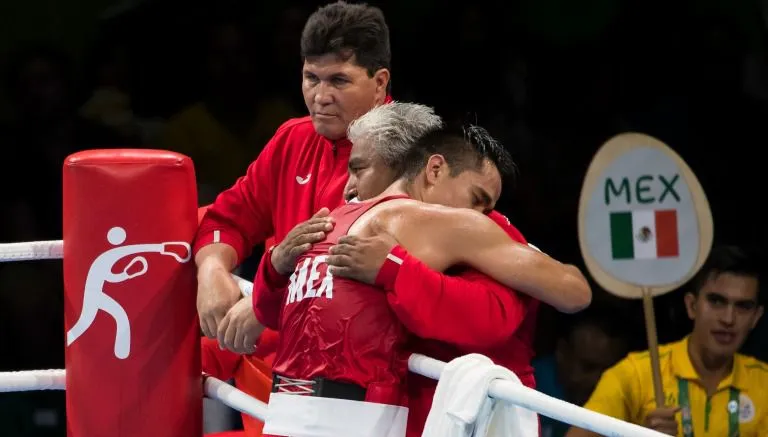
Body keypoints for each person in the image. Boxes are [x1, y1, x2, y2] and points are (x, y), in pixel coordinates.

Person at [256, 120, 591, 437]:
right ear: (432, 169)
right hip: (325, 406)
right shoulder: (337, 220)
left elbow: (568, 294)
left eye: (361, 170)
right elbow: (281, 317)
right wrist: (275, 264)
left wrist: (395, 270)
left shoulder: (476, 225)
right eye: (352, 168)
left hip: (466, 411)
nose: (349, 187)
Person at [566, 245, 768, 437]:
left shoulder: (764, 384)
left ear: (756, 317)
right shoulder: (635, 373)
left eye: (743, 306)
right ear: (691, 305)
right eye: (716, 301)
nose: (728, 319)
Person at [534, 306, 629, 437]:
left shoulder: (628, 395)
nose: (601, 380)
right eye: (588, 366)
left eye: (611, 371)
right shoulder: (528, 385)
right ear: (562, 352)